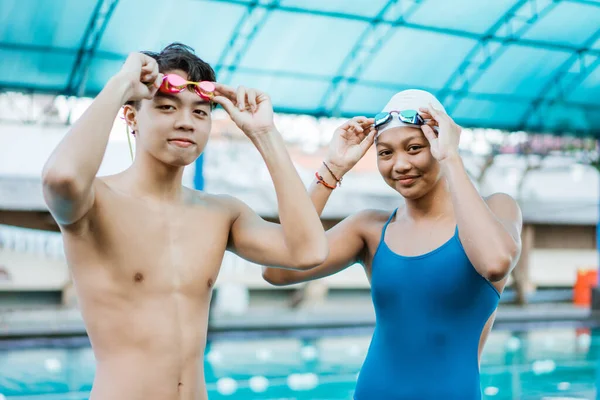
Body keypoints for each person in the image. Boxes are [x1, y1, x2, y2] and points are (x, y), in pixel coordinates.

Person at [41, 43, 328, 400]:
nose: (185, 122)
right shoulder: (94, 204)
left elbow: (308, 252)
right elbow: (62, 178)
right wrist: (122, 84)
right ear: (131, 118)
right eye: (166, 107)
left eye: (200, 112)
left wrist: (264, 135)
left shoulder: (222, 213)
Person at [262, 89, 523, 399]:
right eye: (385, 153)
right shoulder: (370, 229)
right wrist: (332, 169)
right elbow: (276, 269)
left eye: (414, 148)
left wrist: (451, 157)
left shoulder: (497, 209)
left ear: (441, 143)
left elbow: (494, 263)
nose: (399, 164)